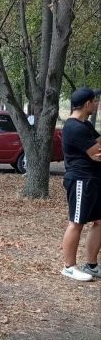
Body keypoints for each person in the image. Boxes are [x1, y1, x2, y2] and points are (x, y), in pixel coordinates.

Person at [60, 87, 101, 281]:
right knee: (76, 223)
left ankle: (91, 266)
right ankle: (69, 267)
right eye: (95, 101)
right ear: (87, 104)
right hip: (80, 180)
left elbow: (98, 144)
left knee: (100, 221)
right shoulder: (74, 127)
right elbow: (97, 154)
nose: (97, 104)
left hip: (93, 179)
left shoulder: (84, 125)